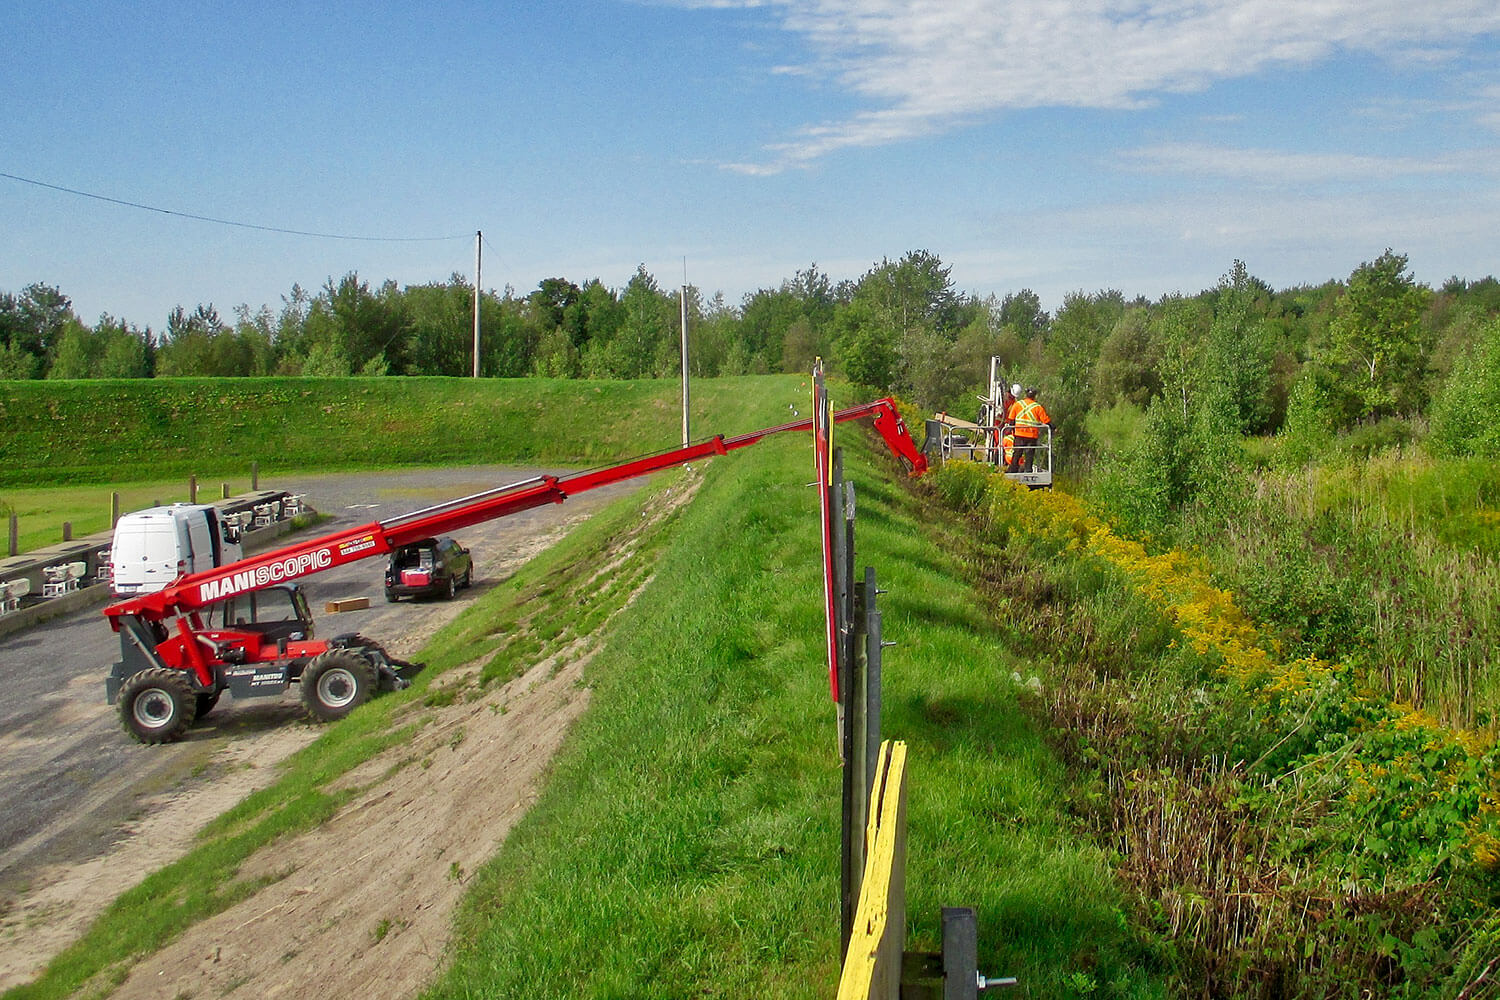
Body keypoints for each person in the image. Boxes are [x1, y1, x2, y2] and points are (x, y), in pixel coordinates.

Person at [1007, 387, 1050, 473]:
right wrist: (1053, 428)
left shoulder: (1018, 404)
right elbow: (1046, 421)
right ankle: (1028, 471)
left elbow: (1011, 419)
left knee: (1017, 454)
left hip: (1019, 434)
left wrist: (1012, 430)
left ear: (1026, 394)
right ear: (1034, 396)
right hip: (1031, 435)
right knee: (1029, 455)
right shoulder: (1038, 407)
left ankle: (1012, 471)